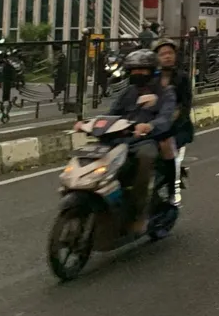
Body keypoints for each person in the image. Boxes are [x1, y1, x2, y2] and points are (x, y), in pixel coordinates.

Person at [76, 48, 176, 234]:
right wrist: (89, 123)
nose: (137, 74)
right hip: (119, 140)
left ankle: (139, 213)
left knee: (145, 158)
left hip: (145, 141)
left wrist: (149, 126)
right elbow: (111, 114)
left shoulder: (165, 92)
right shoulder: (128, 92)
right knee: (92, 155)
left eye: (142, 70)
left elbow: (165, 118)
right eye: (133, 70)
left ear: (152, 71)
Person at [153, 38, 194, 204]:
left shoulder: (182, 78)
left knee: (170, 152)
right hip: (154, 127)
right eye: (163, 54)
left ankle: (173, 192)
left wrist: (171, 124)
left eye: (170, 53)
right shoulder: (152, 80)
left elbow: (185, 106)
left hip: (177, 128)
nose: (167, 57)